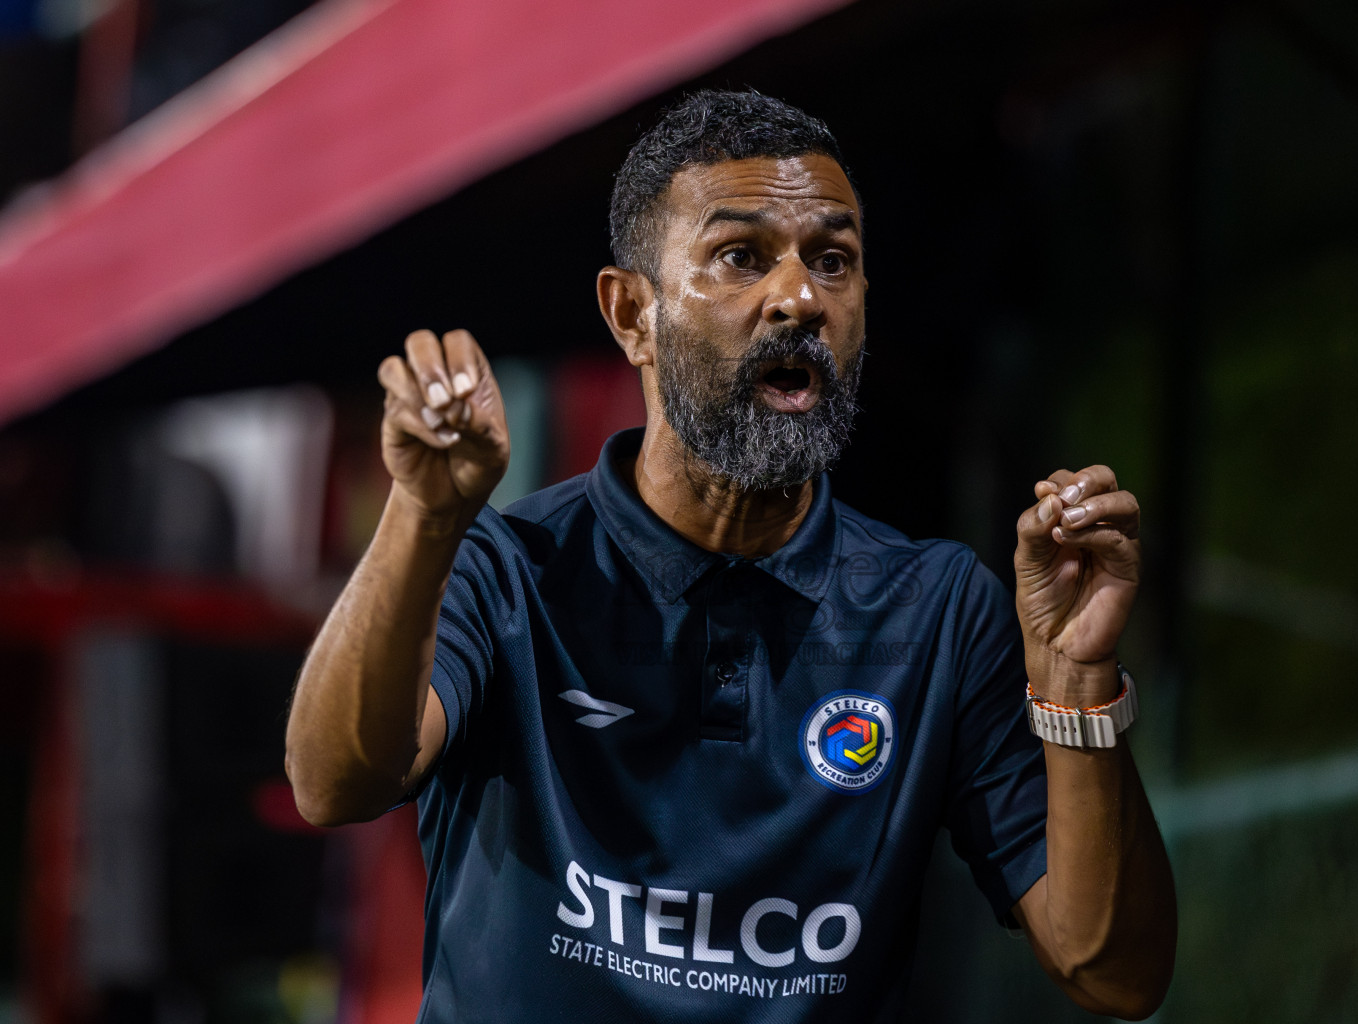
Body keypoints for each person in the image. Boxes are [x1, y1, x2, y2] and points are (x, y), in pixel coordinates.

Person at [285, 90, 1176, 1022]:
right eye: (739, 257)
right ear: (632, 313)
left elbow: (1113, 970)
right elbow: (334, 782)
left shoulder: (938, 609)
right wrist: (425, 517)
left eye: (834, 261)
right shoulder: (509, 570)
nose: (799, 297)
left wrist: (1077, 685)